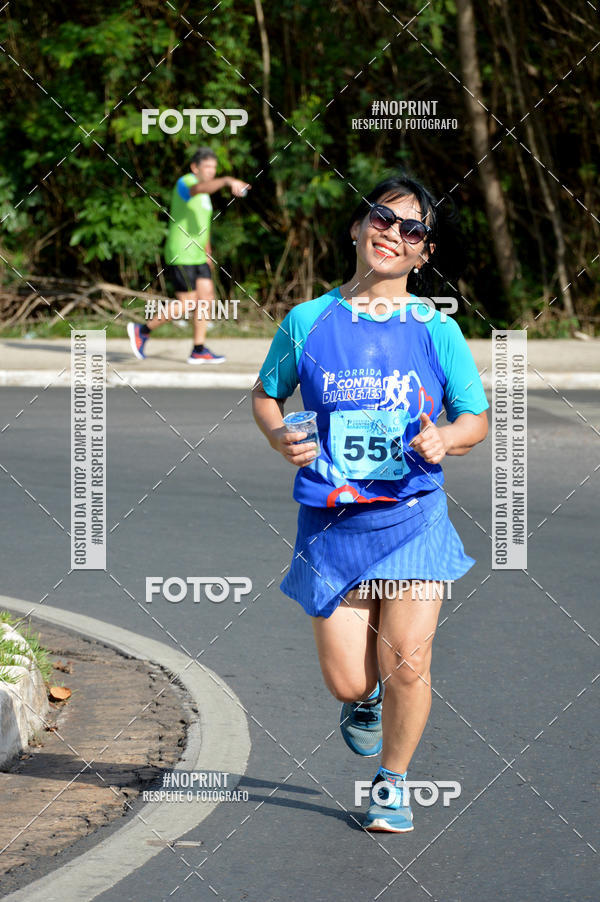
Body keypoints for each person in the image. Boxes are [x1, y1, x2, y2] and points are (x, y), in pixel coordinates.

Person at [252, 173, 489, 833]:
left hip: (414, 516)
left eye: (412, 229)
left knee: (409, 658)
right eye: (381, 218)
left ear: (424, 254)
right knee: (352, 683)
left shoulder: (435, 330)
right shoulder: (308, 321)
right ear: (357, 228)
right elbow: (267, 393)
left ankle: (393, 783)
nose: (393, 234)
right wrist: (279, 435)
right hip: (334, 524)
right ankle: (365, 701)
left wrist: (448, 436)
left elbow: (476, 418)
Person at [128, 147, 250, 364]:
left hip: (198, 254)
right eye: (208, 167)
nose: (212, 171)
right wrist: (226, 181)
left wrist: (208, 251)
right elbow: (200, 187)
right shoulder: (185, 184)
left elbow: (203, 224)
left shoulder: (206, 197)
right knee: (187, 303)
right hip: (181, 253)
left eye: (214, 167)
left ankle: (198, 349)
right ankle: (143, 331)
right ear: (195, 167)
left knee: (206, 298)